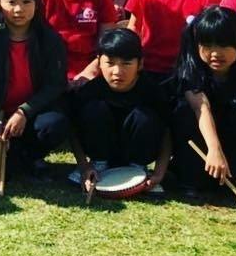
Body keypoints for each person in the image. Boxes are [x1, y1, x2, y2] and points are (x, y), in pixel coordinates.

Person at [0, 0, 70, 177]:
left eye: (26, 2)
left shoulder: (50, 40)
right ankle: (13, 155)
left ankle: (30, 155)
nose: (19, 9)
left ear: (36, 3)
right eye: (11, 2)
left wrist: (24, 111)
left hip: (33, 116)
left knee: (54, 124)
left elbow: (55, 85)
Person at [67, 28, 171, 194]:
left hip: (136, 153)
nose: (117, 71)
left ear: (140, 64)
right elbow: (73, 131)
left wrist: (159, 173)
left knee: (145, 117)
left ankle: (138, 167)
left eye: (126, 64)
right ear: (99, 62)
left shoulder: (153, 92)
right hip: (100, 152)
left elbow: (167, 133)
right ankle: (99, 163)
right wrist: (84, 167)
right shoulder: (90, 91)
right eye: (110, 63)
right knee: (94, 110)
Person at [171, 7, 236, 197]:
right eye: (207, 45)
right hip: (202, 136)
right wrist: (214, 149)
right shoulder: (191, 68)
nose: (215, 53)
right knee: (184, 111)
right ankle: (189, 179)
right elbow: (201, 108)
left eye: (223, 45)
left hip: (234, 135)